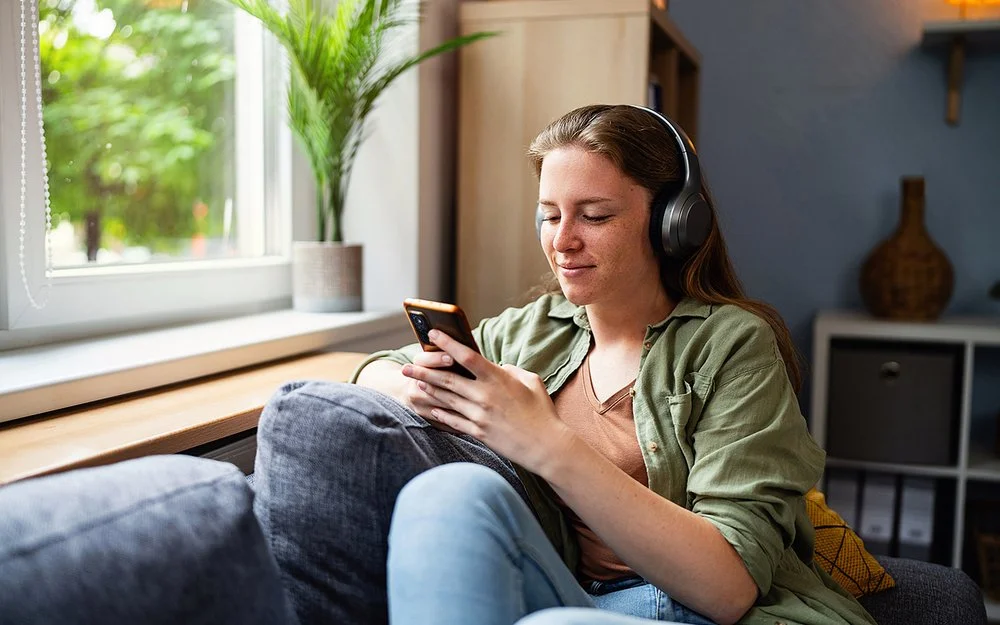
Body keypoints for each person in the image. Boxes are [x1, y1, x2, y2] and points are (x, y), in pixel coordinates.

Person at [251, 104, 878, 625]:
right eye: (549, 215)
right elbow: (375, 369)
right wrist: (422, 386)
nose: (562, 240)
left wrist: (544, 440)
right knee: (453, 491)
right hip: (572, 590)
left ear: (672, 224)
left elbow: (729, 586)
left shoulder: (734, 346)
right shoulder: (534, 329)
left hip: (699, 607)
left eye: (594, 216)